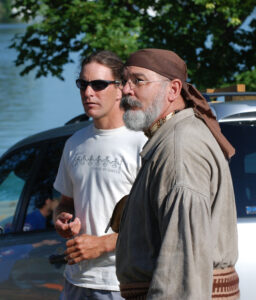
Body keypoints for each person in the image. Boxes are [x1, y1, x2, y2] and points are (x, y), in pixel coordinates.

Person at [115, 49, 239, 300]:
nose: (126, 90)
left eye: (138, 80)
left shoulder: (179, 150)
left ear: (173, 90)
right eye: (124, 81)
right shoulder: (171, 138)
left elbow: (182, 267)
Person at [53, 50, 147, 300]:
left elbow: (157, 221)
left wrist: (102, 245)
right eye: (82, 84)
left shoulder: (142, 143)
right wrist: (62, 219)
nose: (88, 92)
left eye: (98, 84)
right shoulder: (74, 142)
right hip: (75, 280)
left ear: (120, 89)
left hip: (122, 284)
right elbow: (64, 204)